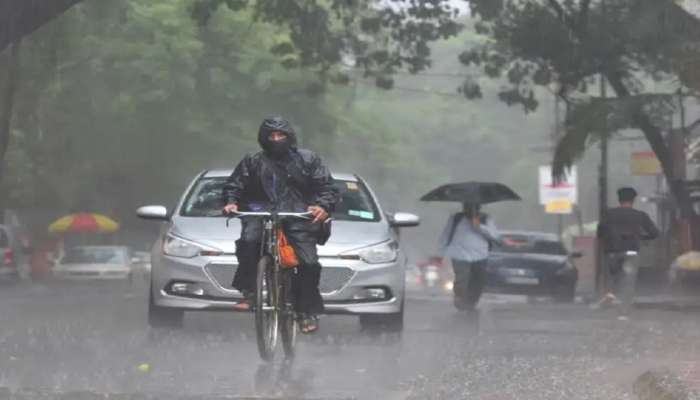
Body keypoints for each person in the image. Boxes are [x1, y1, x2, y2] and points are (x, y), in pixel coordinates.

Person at [222, 115, 339, 333]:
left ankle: (306, 312)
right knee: (249, 242)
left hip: (299, 214)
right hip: (259, 212)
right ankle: (250, 292)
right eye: (271, 136)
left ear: (289, 136)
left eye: (280, 135)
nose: (276, 139)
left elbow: (327, 187)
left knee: (308, 263)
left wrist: (322, 206)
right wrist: (231, 202)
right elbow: (234, 185)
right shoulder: (252, 161)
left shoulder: (308, 159)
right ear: (263, 138)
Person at [595, 187, 659, 314]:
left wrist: (607, 241)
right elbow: (654, 233)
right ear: (633, 200)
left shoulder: (609, 214)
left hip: (612, 251)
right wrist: (641, 237)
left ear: (619, 199)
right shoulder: (640, 215)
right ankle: (624, 307)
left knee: (612, 276)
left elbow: (600, 232)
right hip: (631, 252)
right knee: (629, 279)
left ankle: (610, 293)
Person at [437, 203, 499, 310]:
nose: (470, 209)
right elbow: (446, 234)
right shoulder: (456, 218)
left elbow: (494, 235)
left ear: (478, 208)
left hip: (480, 256)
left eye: (473, 207)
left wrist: (479, 226)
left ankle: (471, 302)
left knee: (478, 280)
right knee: (462, 278)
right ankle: (460, 299)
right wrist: (440, 252)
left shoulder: (485, 218)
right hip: (459, 254)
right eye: (467, 206)